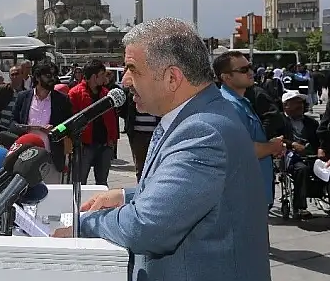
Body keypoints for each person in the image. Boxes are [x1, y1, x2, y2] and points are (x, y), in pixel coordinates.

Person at [54, 18, 271, 281]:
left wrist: (82, 224)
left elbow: (148, 228)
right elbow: (192, 191)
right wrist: (126, 196)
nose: (126, 82)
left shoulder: (203, 132)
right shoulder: (197, 116)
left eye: (133, 69)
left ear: (171, 78)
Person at [214, 51, 285, 208]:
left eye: (250, 67)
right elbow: (244, 150)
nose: (251, 72)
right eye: (243, 70)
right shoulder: (229, 105)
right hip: (243, 196)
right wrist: (273, 147)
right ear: (226, 77)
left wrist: (271, 145)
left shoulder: (241, 102)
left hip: (253, 191)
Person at [11, 62, 72, 184]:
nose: (53, 79)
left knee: (52, 195)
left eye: (55, 75)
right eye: (48, 76)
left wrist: (55, 130)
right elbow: (12, 124)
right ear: (37, 77)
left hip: (52, 158)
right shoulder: (23, 97)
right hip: (25, 157)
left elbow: (69, 127)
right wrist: (30, 127)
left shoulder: (62, 100)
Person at [68, 60, 118, 186]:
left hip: (104, 144)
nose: (104, 78)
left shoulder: (106, 93)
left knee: (102, 182)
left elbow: (112, 118)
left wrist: (112, 139)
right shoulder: (75, 93)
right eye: (102, 75)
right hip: (84, 145)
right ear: (94, 76)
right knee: (80, 181)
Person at [280, 90, 321, 218]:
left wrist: (321, 149)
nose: (300, 106)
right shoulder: (279, 121)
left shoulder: (311, 123)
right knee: (301, 169)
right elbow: (275, 138)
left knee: (325, 168)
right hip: (290, 157)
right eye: (295, 103)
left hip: (311, 156)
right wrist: (292, 144)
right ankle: (300, 207)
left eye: (301, 103)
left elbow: (319, 140)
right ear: (286, 105)